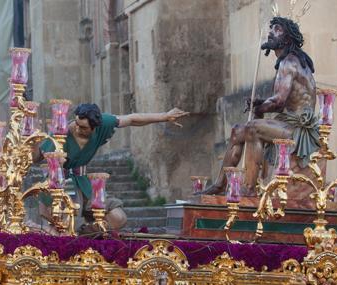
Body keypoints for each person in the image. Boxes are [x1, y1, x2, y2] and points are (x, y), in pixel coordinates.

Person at [204, 16, 318, 195]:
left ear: (288, 38)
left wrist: (260, 108)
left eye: (278, 29)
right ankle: (220, 184)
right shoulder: (289, 61)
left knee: (253, 128)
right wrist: (261, 103)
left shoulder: (289, 62)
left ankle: (249, 188)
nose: (271, 33)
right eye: (272, 29)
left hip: (299, 128)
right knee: (236, 131)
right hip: (289, 122)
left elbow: (278, 101)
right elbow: (280, 104)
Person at [36, 103, 188, 234]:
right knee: (60, 227)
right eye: (76, 123)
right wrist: (36, 145)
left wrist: (164, 116)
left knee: (118, 218)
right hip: (58, 187)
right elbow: (38, 157)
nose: (77, 128)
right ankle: (66, 235)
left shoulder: (104, 124)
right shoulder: (61, 132)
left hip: (84, 184)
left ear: (95, 127)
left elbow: (132, 119)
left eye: (83, 127)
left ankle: (84, 234)